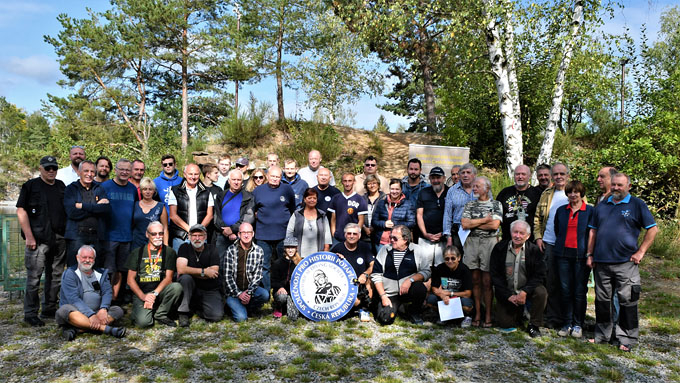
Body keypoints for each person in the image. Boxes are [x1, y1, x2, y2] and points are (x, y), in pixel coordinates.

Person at [587, 173, 658, 351]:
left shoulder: (637, 204)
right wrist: (590, 254)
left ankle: (626, 339)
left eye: (620, 185)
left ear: (629, 186)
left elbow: (652, 229)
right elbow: (593, 232)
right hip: (602, 262)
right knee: (602, 301)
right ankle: (602, 335)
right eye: (614, 185)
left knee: (627, 301)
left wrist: (641, 252)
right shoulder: (602, 205)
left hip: (626, 263)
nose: (616, 188)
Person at [17, 155, 67, 326]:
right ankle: (30, 313)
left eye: (54, 167)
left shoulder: (61, 186)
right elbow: (21, 211)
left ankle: (49, 309)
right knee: (34, 277)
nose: (51, 171)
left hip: (59, 238)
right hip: (37, 240)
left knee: (55, 276)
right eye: (47, 168)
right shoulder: (31, 186)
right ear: (40, 169)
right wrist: (29, 236)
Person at [490, 220, 547, 337]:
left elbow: (539, 274)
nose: (517, 236)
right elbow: (495, 275)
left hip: (526, 291)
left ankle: (534, 325)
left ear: (528, 236)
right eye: (515, 232)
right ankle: (520, 312)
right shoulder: (499, 248)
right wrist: (508, 295)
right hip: (507, 292)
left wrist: (524, 292)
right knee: (506, 324)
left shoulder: (534, 250)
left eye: (521, 233)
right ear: (511, 232)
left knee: (541, 292)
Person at [56, 245, 125, 341]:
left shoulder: (101, 273)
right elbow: (73, 299)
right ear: (77, 258)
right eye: (84, 257)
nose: (87, 260)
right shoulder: (70, 273)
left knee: (118, 310)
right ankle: (104, 328)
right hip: (77, 312)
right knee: (64, 310)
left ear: (94, 259)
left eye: (90, 258)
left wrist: (103, 309)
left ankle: (78, 329)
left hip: (98, 312)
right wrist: (90, 315)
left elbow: (107, 292)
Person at [553, 181, 593, 338]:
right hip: (563, 255)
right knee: (565, 290)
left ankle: (578, 324)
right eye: (570, 192)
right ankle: (566, 323)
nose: (573, 195)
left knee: (579, 291)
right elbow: (558, 230)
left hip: (581, 257)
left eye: (576, 192)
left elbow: (592, 233)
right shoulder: (561, 210)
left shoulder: (589, 211)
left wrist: (590, 254)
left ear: (581, 193)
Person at [460, 176, 502, 328]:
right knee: (475, 280)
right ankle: (477, 313)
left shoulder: (496, 204)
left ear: (487, 188)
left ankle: (488, 315)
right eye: (474, 186)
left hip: (489, 244)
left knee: (487, 282)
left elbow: (495, 225)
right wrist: (485, 220)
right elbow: (464, 224)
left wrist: (474, 224)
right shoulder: (470, 204)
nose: (474, 188)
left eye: (477, 186)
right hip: (472, 244)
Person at [125, 221, 183, 328]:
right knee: (144, 323)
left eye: (160, 233)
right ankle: (141, 311)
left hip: (159, 291)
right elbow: (130, 280)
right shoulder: (137, 252)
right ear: (147, 234)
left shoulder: (169, 252)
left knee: (176, 287)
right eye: (154, 234)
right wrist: (143, 296)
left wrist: (154, 294)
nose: (158, 237)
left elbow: (168, 278)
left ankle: (161, 313)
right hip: (142, 291)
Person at [533, 162, 570, 328]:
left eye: (562, 174)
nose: (559, 177)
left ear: (567, 175)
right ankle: (552, 317)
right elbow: (537, 218)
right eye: (556, 174)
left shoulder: (575, 192)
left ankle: (568, 318)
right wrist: (538, 237)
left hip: (569, 245)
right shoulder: (547, 193)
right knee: (550, 281)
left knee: (567, 282)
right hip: (548, 243)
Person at [371, 225, 430, 325]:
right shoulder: (384, 250)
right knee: (385, 319)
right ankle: (400, 308)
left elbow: (426, 272)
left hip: (408, 291)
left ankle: (414, 312)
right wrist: (383, 296)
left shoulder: (417, 250)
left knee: (420, 288)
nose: (391, 240)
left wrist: (410, 280)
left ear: (405, 239)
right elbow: (376, 275)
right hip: (389, 294)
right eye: (390, 237)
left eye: (395, 238)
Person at [252, 166, 296, 292]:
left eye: (277, 177)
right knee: (264, 266)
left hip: (283, 234)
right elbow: (252, 210)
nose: (275, 179)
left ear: (281, 177)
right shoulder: (258, 191)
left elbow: (292, 208)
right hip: (263, 235)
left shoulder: (287, 189)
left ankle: (282, 290)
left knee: (284, 264)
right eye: (272, 176)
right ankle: (266, 292)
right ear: (268, 176)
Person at [100, 159, 139, 301]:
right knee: (109, 270)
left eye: (127, 170)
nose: (124, 172)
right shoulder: (105, 186)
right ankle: (106, 299)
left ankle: (115, 299)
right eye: (121, 169)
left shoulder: (133, 189)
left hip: (126, 236)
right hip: (109, 235)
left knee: (121, 269)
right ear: (115, 170)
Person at [63, 160, 110, 267]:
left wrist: (82, 206)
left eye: (92, 172)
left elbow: (106, 209)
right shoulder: (71, 189)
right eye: (86, 171)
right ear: (79, 172)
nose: (89, 174)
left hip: (96, 237)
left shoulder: (99, 188)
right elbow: (72, 213)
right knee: (75, 269)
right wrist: (96, 208)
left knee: (96, 270)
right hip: (76, 237)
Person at [176, 224, 223, 326]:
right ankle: (183, 312)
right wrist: (204, 272)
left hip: (209, 288)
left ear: (205, 236)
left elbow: (214, 273)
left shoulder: (212, 249)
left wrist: (190, 271)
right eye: (194, 235)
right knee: (185, 279)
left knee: (216, 316)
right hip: (190, 287)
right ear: (189, 237)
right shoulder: (184, 247)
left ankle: (196, 308)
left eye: (200, 235)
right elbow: (180, 269)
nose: (197, 238)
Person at [224, 223, 269, 322]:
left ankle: (248, 307)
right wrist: (239, 294)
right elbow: (228, 277)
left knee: (265, 295)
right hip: (233, 292)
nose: (246, 235)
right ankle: (233, 306)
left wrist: (249, 293)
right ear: (239, 234)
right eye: (243, 232)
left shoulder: (258, 251)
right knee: (241, 319)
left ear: (253, 234)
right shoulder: (231, 250)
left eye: (249, 232)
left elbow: (258, 276)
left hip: (249, 290)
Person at [168, 163, 214, 251]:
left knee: (200, 264)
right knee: (180, 263)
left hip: (200, 236)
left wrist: (198, 230)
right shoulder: (175, 190)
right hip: (181, 236)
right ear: (185, 175)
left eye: (196, 174)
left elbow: (210, 215)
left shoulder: (207, 192)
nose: (193, 177)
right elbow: (173, 216)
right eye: (190, 174)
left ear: (199, 175)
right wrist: (190, 230)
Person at [330, 223, 374, 312]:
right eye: (349, 233)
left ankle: (364, 308)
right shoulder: (338, 248)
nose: (351, 236)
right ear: (345, 235)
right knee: (353, 304)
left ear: (359, 235)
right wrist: (335, 260)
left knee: (370, 279)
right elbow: (328, 268)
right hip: (343, 285)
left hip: (360, 282)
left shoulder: (365, 247)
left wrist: (365, 274)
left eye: (355, 234)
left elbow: (372, 265)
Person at [427, 246, 473, 327]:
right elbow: (434, 288)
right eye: (447, 259)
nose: (450, 261)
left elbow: (468, 293)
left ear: (459, 258)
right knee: (430, 300)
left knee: (466, 304)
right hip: (444, 298)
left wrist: (449, 293)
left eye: (453, 258)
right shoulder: (439, 268)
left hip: (459, 298)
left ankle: (465, 317)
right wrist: (442, 295)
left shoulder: (464, 270)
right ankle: (443, 316)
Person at [213, 169, 254, 259]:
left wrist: (233, 229)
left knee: (240, 263)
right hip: (222, 235)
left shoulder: (248, 197)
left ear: (242, 182)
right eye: (233, 179)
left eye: (238, 180)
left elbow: (248, 216)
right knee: (220, 263)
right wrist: (225, 231)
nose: (236, 182)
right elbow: (216, 215)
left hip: (240, 235)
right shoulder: (221, 195)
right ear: (229, 181)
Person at [496, 164, 542, 241]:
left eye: (523, 174)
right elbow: (496, 216)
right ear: (514, 176)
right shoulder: (504, 193)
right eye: (517, 174)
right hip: (507, 239)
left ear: (529, 176)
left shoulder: (538, 194)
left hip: (530, 241)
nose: (520, 177)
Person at [443, 163, 480, 255]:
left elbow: (490, 209)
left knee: (476, 264)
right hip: (458, 233)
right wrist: (449, 238)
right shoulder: (452, 191)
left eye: (468, 172)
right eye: (463, 173)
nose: (465, 175)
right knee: (458, 263)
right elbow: (447, 215)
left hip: (478, 232)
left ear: (474, 175)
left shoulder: (482, 188)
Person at [371, 179, 415, 254]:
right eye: (392, 189)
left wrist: (395, 224)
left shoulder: (408, 204)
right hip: (382, 242)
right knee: (382, 264)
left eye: (397, 189)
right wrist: (384, 224)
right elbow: (374, 221)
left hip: (399, 242)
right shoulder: (381, 202)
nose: (394, 191)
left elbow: (412, 223)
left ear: (401, 190)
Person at [416, 166, 449, 266]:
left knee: (442, 268)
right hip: (425, 238)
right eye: (433, 178)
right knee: (424, 267)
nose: (435, 180)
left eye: (438, 178)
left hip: (444, 239)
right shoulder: (423, 192)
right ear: (429, 179)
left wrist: (444, 233)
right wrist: (425, 234)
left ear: (444, 178)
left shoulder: (450, 192)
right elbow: (419, 215)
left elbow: (453, 215)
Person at [286, 188, 331, 258]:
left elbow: (327, 235)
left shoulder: (322, 215)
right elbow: (289, 232)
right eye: (309, 198)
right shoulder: (297, 214)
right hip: (299, 255)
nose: (312, 200)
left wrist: (325, 251)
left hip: (318, 255)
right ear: (304, 199)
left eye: (314, 198)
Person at [329, 173, 368, 245]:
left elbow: (361, 220)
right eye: (345, 181)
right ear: (342, 182)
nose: (347, 184)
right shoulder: (336, 198)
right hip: (338, 238)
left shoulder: (360, 199)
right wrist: (333, 233)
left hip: (352, 238)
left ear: (354, 182)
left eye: (350, 181)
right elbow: (333, 218)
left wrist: (356, 234)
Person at [131, 177, 169, 249]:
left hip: (155, 244)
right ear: (141, 191)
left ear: (154, 191)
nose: (147, 192)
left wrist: (166, 246)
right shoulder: (134, 205)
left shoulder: (160, 207)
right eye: (145, 189)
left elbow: (165, 228)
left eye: (150, 189)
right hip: (136, 244)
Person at [271, 237, 302, 319]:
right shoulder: (277, 263)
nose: (290, 250)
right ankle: (278, 307)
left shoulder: (300, 263)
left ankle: (287, 307)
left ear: (296, 248)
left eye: (293, 247)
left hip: (294, 293)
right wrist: (280, 287)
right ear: (284, 249)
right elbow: (273, 281)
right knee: (282, 297)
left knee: (293, 317)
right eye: (288, 247)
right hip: (281, 292)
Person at [361, 174, 385, 251]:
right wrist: (364, 228)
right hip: (364, 236)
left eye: (374, 183)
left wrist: (375, 227)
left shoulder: (385, 198)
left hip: (380, 236)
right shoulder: (362, 199)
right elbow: (358, 215)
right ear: (366, 186)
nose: (372, 186)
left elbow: (386, 215)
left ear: (378, 184)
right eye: (369, 183)